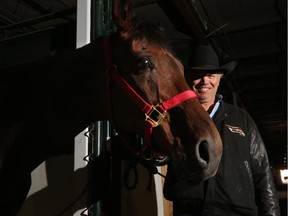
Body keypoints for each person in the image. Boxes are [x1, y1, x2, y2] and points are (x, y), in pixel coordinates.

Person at [163, 44, 281, 216]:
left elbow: (262, 172)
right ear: (187, 79)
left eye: (211, 75)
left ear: (219, 79)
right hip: (189, 210)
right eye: (197, 75)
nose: (205, 81)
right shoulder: (175, 118)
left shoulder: (242, 119)